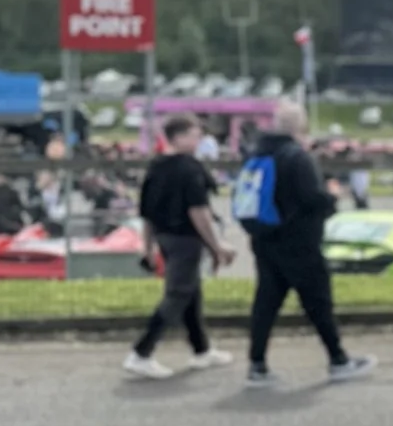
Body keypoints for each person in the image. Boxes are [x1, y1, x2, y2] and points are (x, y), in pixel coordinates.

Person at [233, 100, 373, 386]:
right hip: (299, 241)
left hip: (264, 237)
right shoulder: (297, 156)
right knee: (318, 302)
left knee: (266, 303)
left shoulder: (258, 152)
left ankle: (256, 364)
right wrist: (333, 196)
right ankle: (338, 359)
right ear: (301, 125)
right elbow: (312, 199)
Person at [125, 115, 233, 379]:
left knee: (190, 292)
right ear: (180, 137)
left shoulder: (156, 167)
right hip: (186, 237)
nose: (199, 140)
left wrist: (147, 246)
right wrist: (216, 245)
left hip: (164, 236)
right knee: (177, 294)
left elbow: (146, 212)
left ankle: (201, 349)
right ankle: (142, 352)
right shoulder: (190, 169)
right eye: (195, 135)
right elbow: (199, 211)